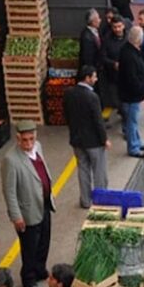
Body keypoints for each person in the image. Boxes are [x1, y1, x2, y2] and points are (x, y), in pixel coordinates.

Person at [2, 121, 56, 287]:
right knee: (29, 248)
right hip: (27, 212)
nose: (29, 143)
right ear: (18, 139)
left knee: (44, 241)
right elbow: (9, 191)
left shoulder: (38, 147)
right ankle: (28, 279)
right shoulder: (11, 160)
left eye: (31, 139)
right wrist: (16, 216)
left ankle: (40, 269)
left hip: (44, 204)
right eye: (24, 140)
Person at [64, 65, 110, 208]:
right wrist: (104, 139)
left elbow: (67, 116)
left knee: (83, 170)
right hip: (94, 142)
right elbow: (98, 121)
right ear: (87, 78)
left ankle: (85, 200)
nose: (96, 79)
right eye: (94, 77)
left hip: (77, 140)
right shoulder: (92, 97)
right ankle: (101, 200)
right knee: (99, 172)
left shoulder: (69, 93)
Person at [118, 26, 144, 158]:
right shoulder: (129, 56)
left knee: (133, 121)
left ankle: (137, 141)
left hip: (131, 95)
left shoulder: (128, 51)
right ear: (139, 40)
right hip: (131, 96)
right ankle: (133, 147)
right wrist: (142, 88)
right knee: (131, 122)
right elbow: (132, 78)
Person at [101, 15, 127, 115]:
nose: (117, 29)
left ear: (123, 25)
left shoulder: (128, 38)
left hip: (127, 74)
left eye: (119, 26)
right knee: (116, 98)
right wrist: (113, 64)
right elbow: (103, 57)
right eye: (115, 27)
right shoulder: (107, 40)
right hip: (113, 75)